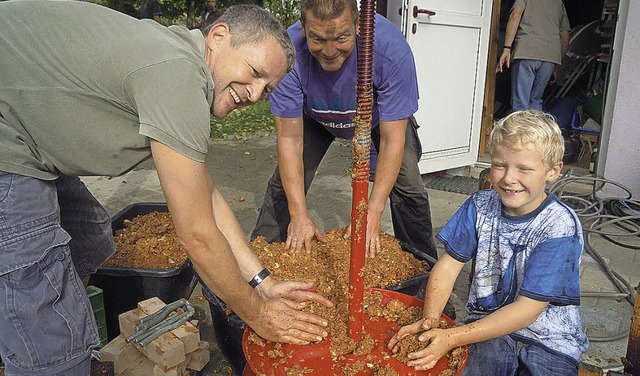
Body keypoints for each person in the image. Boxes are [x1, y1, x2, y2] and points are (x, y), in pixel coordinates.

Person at [0, 2, 332, 375]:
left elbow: (205, 194)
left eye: (266, 88)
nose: (255, 94)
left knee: (91, 238)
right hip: (9, 140)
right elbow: (197, 236)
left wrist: (262, 282)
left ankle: (28, 326)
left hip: (30, 127)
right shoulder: (177, 74)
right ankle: (48, 353)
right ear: (219, 37)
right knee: (42, 304)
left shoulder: (179, 63)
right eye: (254, 73)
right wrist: (257, 314)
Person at [388, 110, 588, 375]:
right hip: (485, 328)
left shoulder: (559, 225)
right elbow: (448, 268)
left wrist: (454, 337)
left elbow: (528, 310)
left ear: (553, 171)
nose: (508, 178)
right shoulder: (480, 206)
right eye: (499, 165)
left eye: (524, 169)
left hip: (550, 340)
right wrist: (430, 320)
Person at [251, 0, 437, 261]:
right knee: (285, 184)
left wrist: (373, 209)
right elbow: (289, 140)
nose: (329, 50)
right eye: (317, 39)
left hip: (377, 118)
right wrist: (299, 214)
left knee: (408, 187)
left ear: (358, 24)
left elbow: (392, 140)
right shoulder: (286, 54)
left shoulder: (389, 51)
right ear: (303, 27)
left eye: (340, 38)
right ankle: (261, 263)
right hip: (315, 116)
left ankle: (425, 274)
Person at [496, 0, 570, 111]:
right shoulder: (558, 3)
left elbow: (515, 16)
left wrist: (507, 48)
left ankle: (521, 128)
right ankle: (534, 128)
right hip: (549, 58)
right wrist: (556, 66)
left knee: (520, 102)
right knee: (535, 100)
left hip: (527, 52)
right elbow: (565, 38)